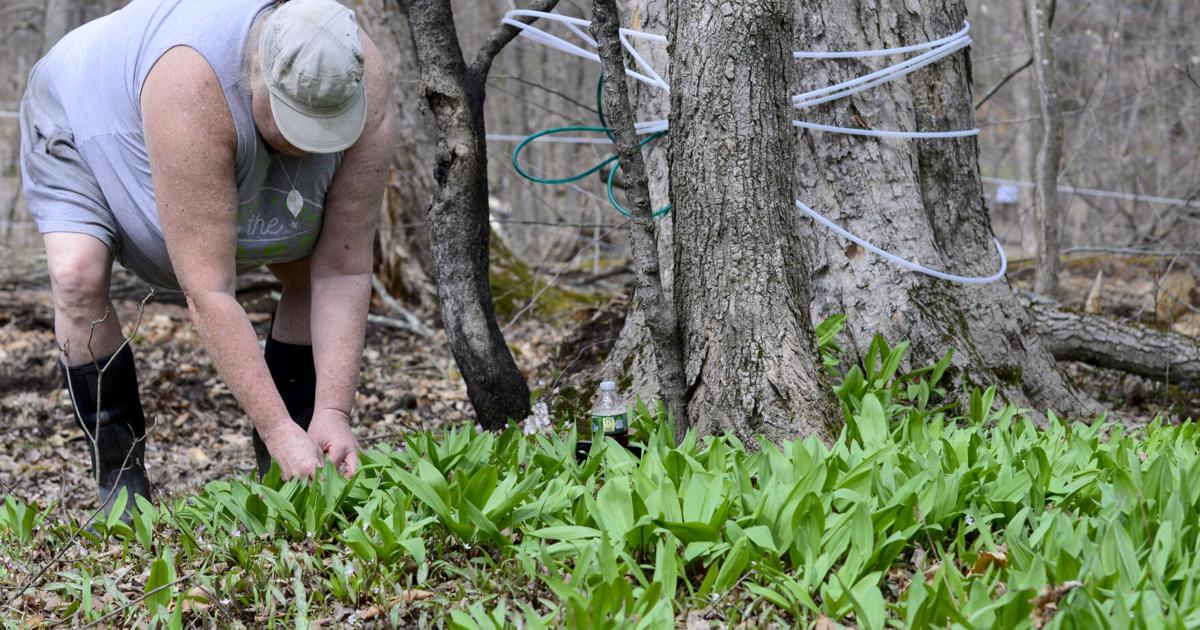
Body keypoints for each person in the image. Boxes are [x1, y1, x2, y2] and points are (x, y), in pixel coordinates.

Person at [18, 0, 394, 517]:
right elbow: (209, 289)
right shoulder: (192, 80)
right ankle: (120, 475)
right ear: (256, 78)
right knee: (77, 274)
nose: (308, 145)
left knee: (307, 262)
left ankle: (295, 461)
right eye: (294, 123)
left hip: (201, 109)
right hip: (89, 109)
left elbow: (343, 267)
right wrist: (275, 425)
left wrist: (334, 410)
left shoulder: (361, 73)